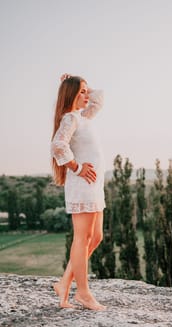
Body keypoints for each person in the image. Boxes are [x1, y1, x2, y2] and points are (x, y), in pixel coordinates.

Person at [51, 73, 106, 311]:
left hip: (94, 186)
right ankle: (82, 293)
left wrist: (81, 85)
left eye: (86, 91)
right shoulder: (70, 119)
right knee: (82, 239)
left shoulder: (84, 117)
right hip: (83, 185)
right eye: (81, 92)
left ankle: (64, 283)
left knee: (95, 238)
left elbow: (99, 100)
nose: (86, 95)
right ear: (71, 95)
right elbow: (58, 145)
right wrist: (77, 167)